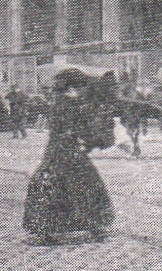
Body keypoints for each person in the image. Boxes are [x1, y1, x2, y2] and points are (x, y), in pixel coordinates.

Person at [24, 69, 118, 245]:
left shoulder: (58, 103)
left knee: (53, 187)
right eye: (81, 86)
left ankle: (46, 229)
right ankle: (95, 227)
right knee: (86, 186)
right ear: (74, 87)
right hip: (70, 152)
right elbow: (81, 129)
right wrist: (96, 140)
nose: (83, 90)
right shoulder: (71, 104)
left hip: (55, 152)